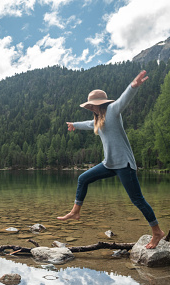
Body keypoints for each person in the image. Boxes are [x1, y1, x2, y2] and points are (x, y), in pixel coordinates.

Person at [57, 70, 164, 249]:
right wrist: (74, 125)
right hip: (109, 164)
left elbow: (123, 99)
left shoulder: (113, 111)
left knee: (137, 199)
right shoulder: (99, 119)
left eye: (93, 105)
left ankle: (157, 232)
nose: (91, 108)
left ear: (101, 103)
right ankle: (75, 212)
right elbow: (88, 124)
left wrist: (133, 86)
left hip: (124, 164)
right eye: (89, 106)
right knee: (83, 178)